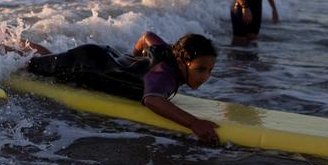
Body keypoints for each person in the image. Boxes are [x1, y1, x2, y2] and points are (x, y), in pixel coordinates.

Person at [26, 31, 220, 144]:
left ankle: (11, 40)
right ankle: (0, 47)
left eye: (209, 70)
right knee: (29, 66)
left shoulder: (168, 50)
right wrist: (194, 123)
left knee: (50, 58)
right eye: (200, 69)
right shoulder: (164, 75)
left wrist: (133, 59)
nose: (205, 77)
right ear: (181, 61)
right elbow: (152, 100)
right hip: (87, 65)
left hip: (105, 56)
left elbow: (146, 36)